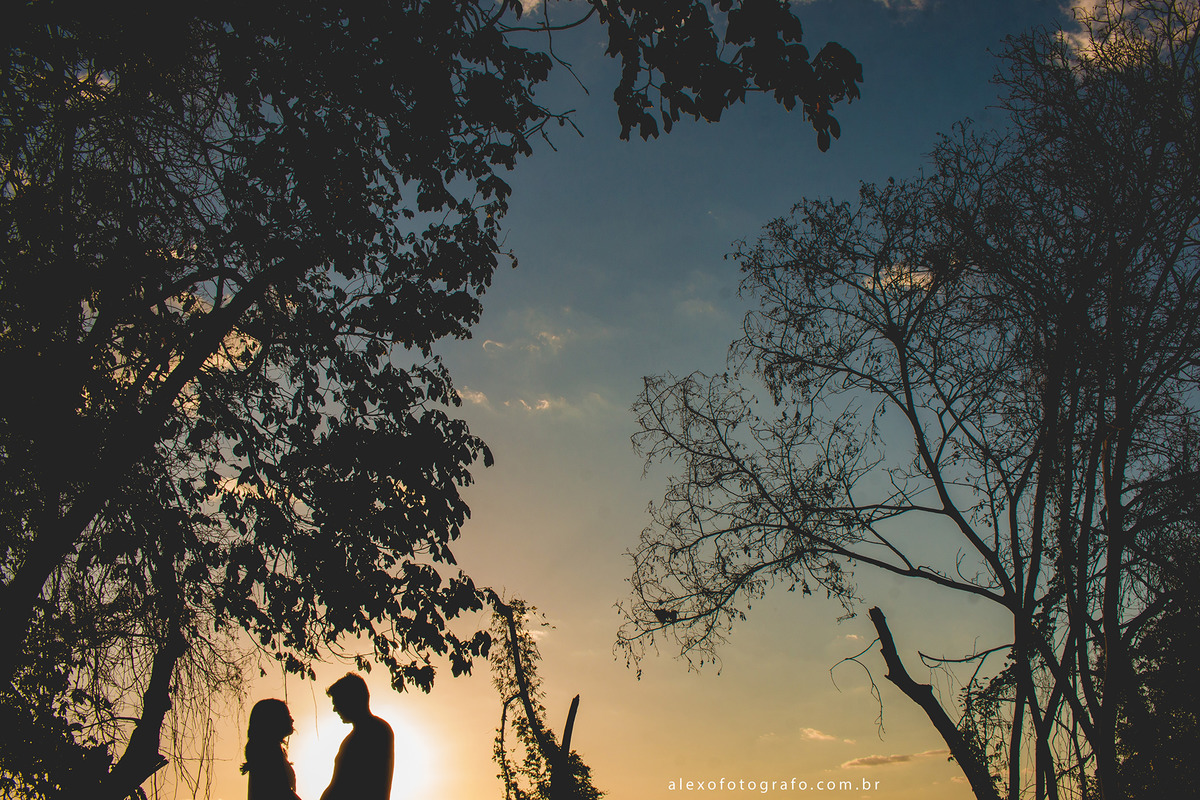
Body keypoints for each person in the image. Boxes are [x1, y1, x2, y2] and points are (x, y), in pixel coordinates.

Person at [320, 673, 394, 800]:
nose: (334, 709)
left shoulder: (375, 731)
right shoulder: (357, 736)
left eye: (337, 702)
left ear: (350, 701)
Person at [241, 698, 303, 800]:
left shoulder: (272, 749)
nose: (292, 720)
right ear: (275, 720)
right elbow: (281, 792)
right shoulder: (268, 751)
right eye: (288, 716)